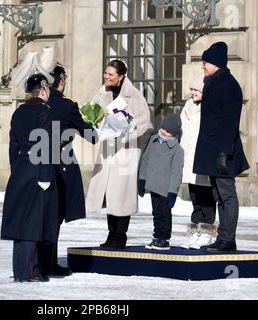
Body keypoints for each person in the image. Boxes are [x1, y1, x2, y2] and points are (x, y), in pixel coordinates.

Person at [37, 64, 98, 277]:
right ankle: (48, 262)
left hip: (35, 163)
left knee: (40, 213)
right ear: (61, 81)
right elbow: (91, 136)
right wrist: (96, 122)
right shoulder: (66, 106)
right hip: (60, 163)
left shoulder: (33, 104)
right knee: (55, 215)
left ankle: (37, 260)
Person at [86, 59, 151, 249]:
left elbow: (143, 121)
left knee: (122, 194)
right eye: (105, 73)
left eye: (111, 74)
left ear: (121, 76)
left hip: (125, 152)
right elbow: (92, 116)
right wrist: (95, 123)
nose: (106, 77)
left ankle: (120, 235)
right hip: (108, 150)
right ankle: (111, 234)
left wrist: (125, 128)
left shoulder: (134, 96)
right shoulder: (101, 93)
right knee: (110, 194)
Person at [1, 73, 58, 282]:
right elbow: (48, 146)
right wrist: (45, 175)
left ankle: (20, 270)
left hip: (21, 168)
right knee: (33, 224)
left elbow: (13, 145)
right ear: (43, 89)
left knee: (20, 222)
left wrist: (16, 168)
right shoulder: (45, 113)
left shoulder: (18, 112)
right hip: (38, 169)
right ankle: (29, 272)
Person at [194, 42, 250, 252]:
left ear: (216, 63)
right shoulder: (215, 81)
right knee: (219, 195)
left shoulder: (227, 84)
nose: (203, 66)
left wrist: (224, 152)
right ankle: (223, 237)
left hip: (222, 151)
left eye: (206, 62)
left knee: (227, 195)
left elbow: (229, 122)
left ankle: (228, 239)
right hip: (213, 150)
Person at [180, 75, 217, 249]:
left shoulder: (210, 107)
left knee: (207, 198)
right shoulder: (187, 107)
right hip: (189, 159)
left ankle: (207, 232)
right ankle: (195, 231)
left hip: (203, 159)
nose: (193, 92)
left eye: (196, 90)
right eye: (192, 90)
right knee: (195, 198)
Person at [138, 114, 184, 250]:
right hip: (153, 185)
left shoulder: (177, 150)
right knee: (156, 213)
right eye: (163, 128)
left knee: (165, 214)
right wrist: (142, 180)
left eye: (168, 131)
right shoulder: (153, 141)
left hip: (165, 188)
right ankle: (157, 236)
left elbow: (176, 173)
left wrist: (172, 192)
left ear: (174, 133)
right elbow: (145, 160)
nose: (164, 131)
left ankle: (164, 239)